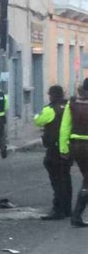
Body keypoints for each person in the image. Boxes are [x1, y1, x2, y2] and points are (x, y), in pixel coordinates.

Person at [34, 85, 72, 220]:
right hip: (68, 148)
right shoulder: (70, 107)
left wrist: (38, 112)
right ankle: (67, 208)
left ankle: (58, 210)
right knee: (66, 178)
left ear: (51, 95)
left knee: (56, 179)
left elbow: (38, 121)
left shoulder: (50, 109)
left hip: (54, 149)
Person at [60, 78, 88, 228]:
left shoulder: (72, 103)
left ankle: (77, 217)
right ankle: (76, 216)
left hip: (76, 145)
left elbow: (65, 127)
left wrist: (64, 148)